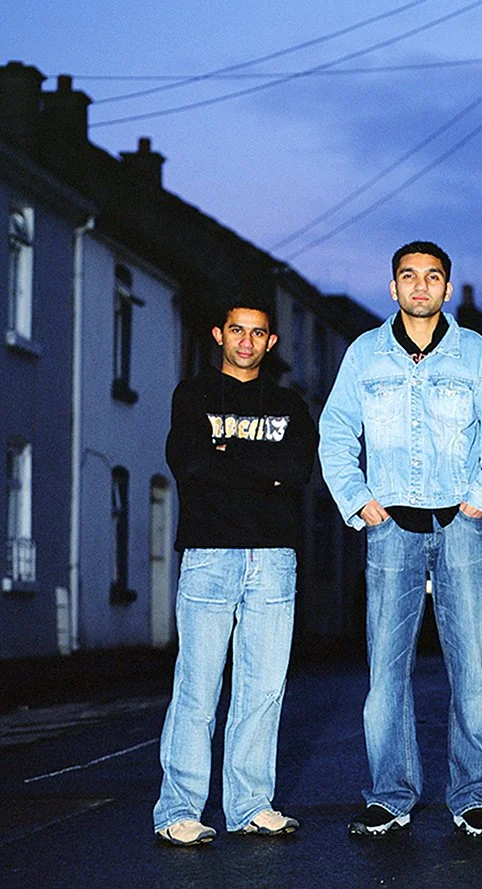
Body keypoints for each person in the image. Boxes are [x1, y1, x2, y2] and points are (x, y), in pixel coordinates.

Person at [320, 241, 482, 839]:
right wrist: (359, 503)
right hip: (390, 532)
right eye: (409, 276)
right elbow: (334, 433)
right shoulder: (364, 356)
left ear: (447, 288)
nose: (421, 286)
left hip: (461, 523)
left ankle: (475, 794)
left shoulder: (473, 353)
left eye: (433, 277)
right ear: (394, 288)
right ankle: (390, 794)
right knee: (386, 669)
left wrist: (480, 500)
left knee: (476, 665)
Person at [153, 293, 316, 846]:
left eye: (258, 333)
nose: (246, 341)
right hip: (210, 553)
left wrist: (228, 454)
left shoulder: (290, 404)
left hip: (273, 557)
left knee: (263, 687)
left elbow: (296, 470)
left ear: (270, 342)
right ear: (219, 335)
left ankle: (250, 805)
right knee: (197, 687)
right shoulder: (192, 395)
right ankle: (178, 810)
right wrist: (255, 471)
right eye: (236, 330)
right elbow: (189, 462)